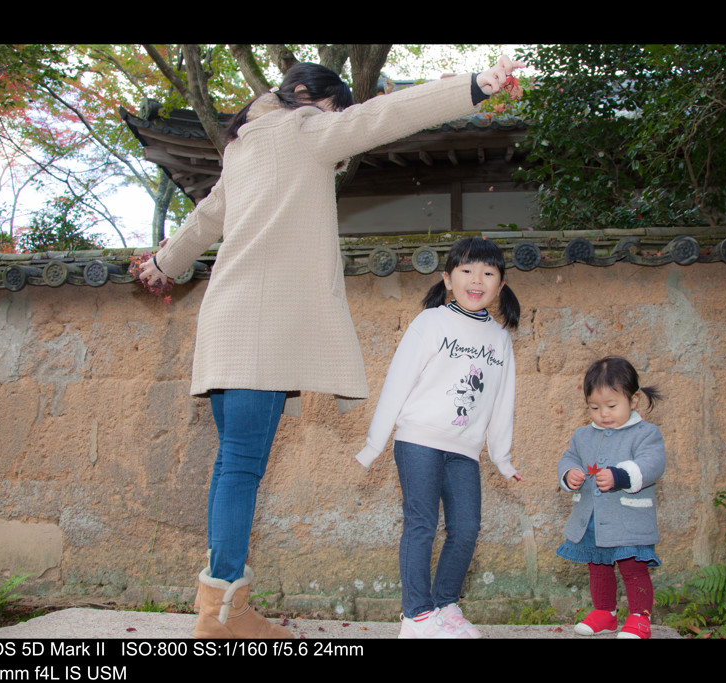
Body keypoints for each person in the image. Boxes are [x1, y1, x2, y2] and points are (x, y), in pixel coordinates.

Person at [138, 57, 527, 639]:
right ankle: (222, 616)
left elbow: (200, 223)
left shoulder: (240, 150)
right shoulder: (304, 129)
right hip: (264, 338)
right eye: (333, 108)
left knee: (231, 467)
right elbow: (386, 115)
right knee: (241, 468)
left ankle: (224, 606)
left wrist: (160, 265)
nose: (337, 120)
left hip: (224, 328)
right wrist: (476, 86)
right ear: (307, 97)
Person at [355, 237, 525, 639]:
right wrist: (374, 443)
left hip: (464, 451)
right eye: (466, 271)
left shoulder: (500, 339)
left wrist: (501, 457)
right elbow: (398, 382)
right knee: (422, 525)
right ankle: (415, 617)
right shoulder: (429, 323)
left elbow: (503, 401)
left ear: (501, 285)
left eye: (488, 273)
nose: (476, 280)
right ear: (448, 279)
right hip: (418, 441)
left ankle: (444, 606)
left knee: (466, 529)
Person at [557, 356, 666, 639]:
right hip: (593, 519)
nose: (603, 414)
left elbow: (652, 464)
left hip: (628, 520)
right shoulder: (582, 436)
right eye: (594, 407)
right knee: (599, 566)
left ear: (635, 399)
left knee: (633, 568)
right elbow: (569, 458)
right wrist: (570, 473)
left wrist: (621, 476)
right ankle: (605, 613)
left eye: (612, 406)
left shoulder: (646, 434)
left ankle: (640, 617)